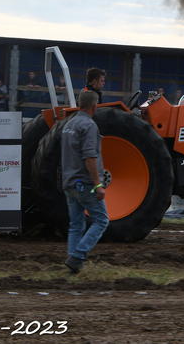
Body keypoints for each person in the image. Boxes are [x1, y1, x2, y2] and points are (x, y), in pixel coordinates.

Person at [61, 91, 109, 274]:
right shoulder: (88, 125)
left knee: (76, 225)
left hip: (69, 182)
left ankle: (73, 268)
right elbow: (89, 156)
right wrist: (98, 184)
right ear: (95, 106)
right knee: (101, 221)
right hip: (85, 183)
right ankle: (78, 256)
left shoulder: (68, 124)